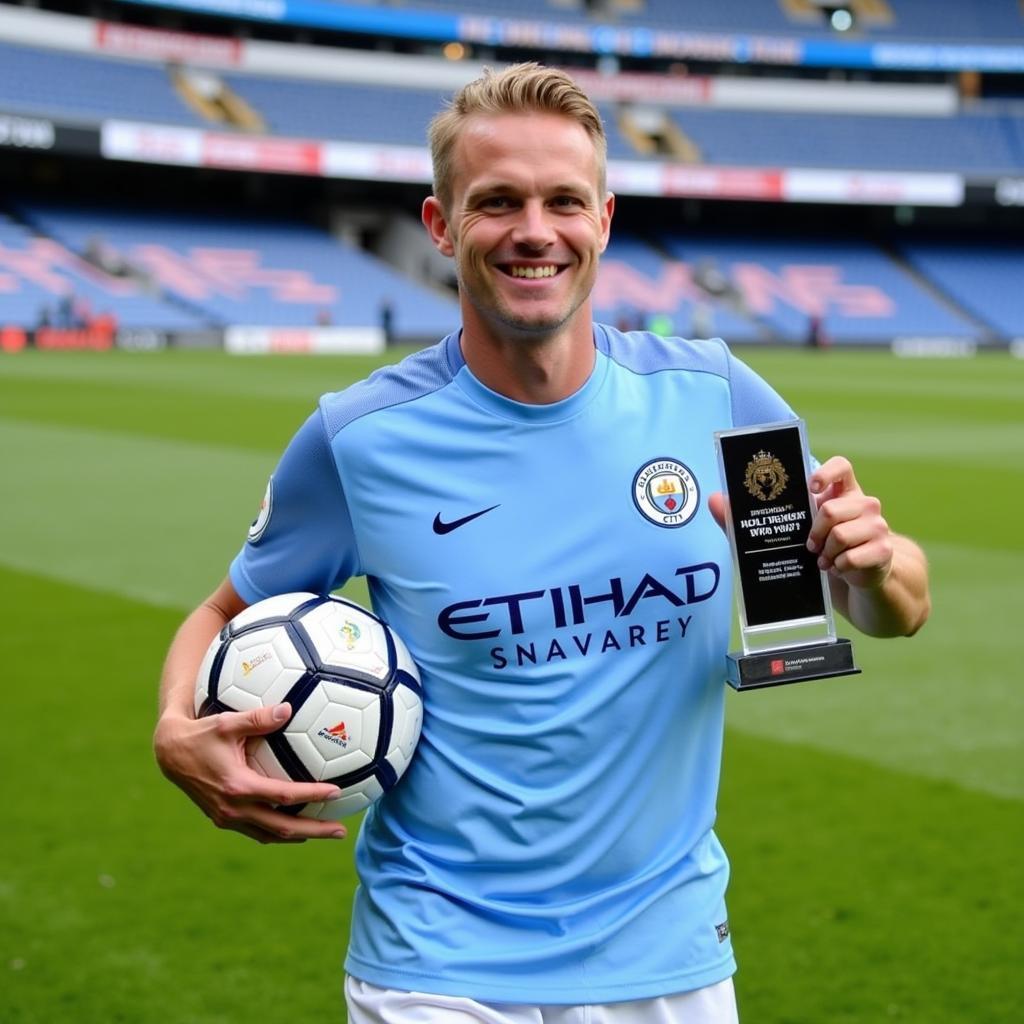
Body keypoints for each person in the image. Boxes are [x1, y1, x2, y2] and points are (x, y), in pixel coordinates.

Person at [154, 63, 931, 1023]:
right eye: (498, 202)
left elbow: (883, 607)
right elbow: (223, 612)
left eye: (564, 200)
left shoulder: (712, 398)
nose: (535, 230)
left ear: (602, 219)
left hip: (672, 955)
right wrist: (172, 730)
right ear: (441, 226)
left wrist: (874, 565)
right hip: (438, 966)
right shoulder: (361, 441)